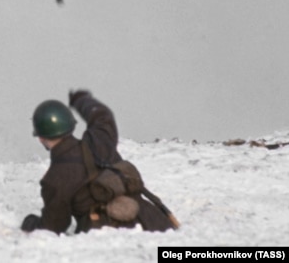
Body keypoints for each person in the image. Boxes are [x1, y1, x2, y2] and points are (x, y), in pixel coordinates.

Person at [21, 90, 178, 235]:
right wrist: (81, 100)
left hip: (111, 236)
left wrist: (31, 223)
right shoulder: (99, 140)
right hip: (154, 221)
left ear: (41, 137)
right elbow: (103, 116)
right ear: (71, 125)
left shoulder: (55, 178)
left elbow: (54, 226)